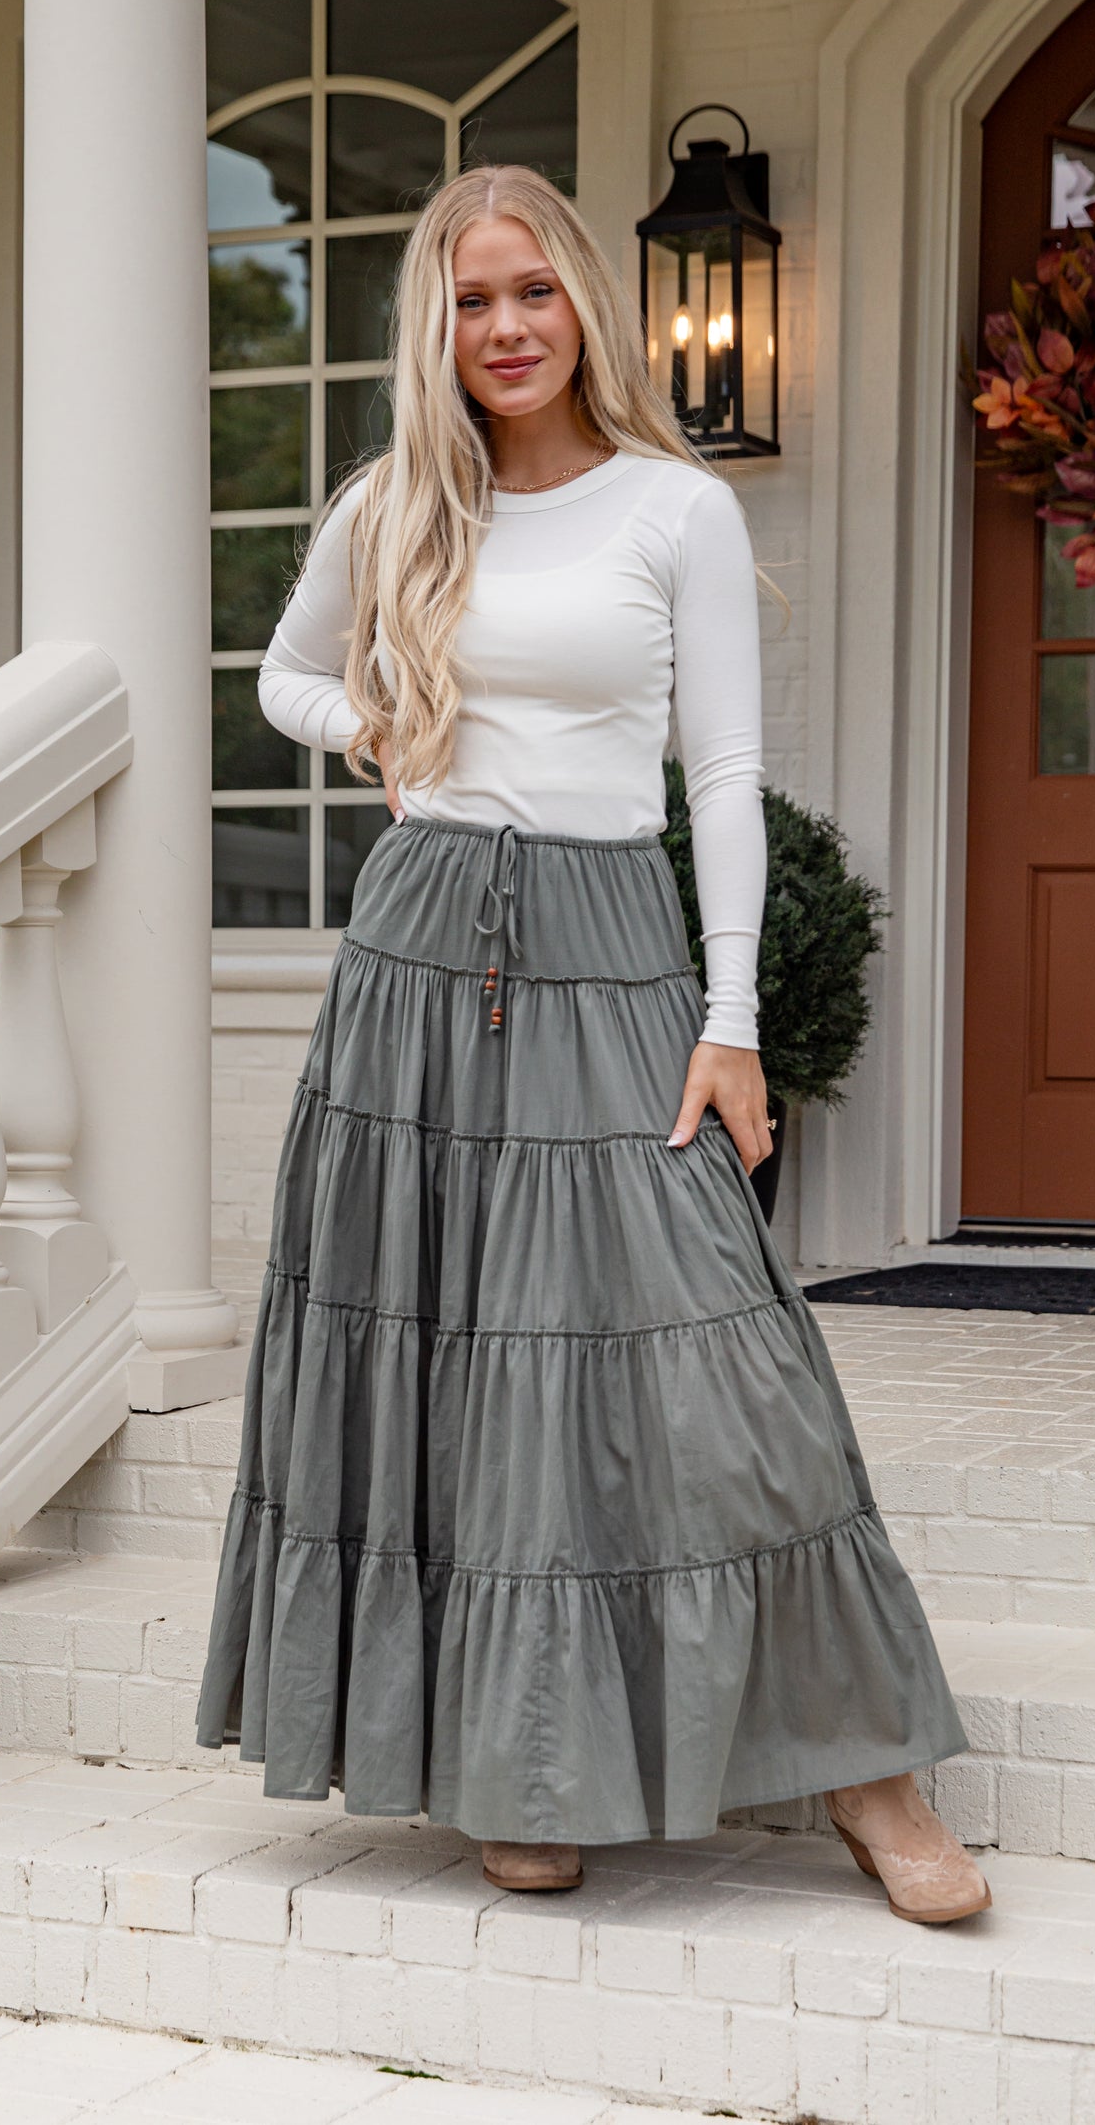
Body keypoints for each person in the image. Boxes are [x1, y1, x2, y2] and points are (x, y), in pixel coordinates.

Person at [195, 164, 989, 1924]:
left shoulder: (674, 508)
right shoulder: (398, 500)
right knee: (459, 1353)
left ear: (585, 309)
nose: (505, 330)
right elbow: (278, 672)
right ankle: (516, 1761)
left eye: (533, 294)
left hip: (615, 952)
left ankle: (870, 1767)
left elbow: (717, 774)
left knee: (721, 1361)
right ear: (439, 322)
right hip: (416, 959)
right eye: (473, 300)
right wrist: (377, 728)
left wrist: (732, 1022)